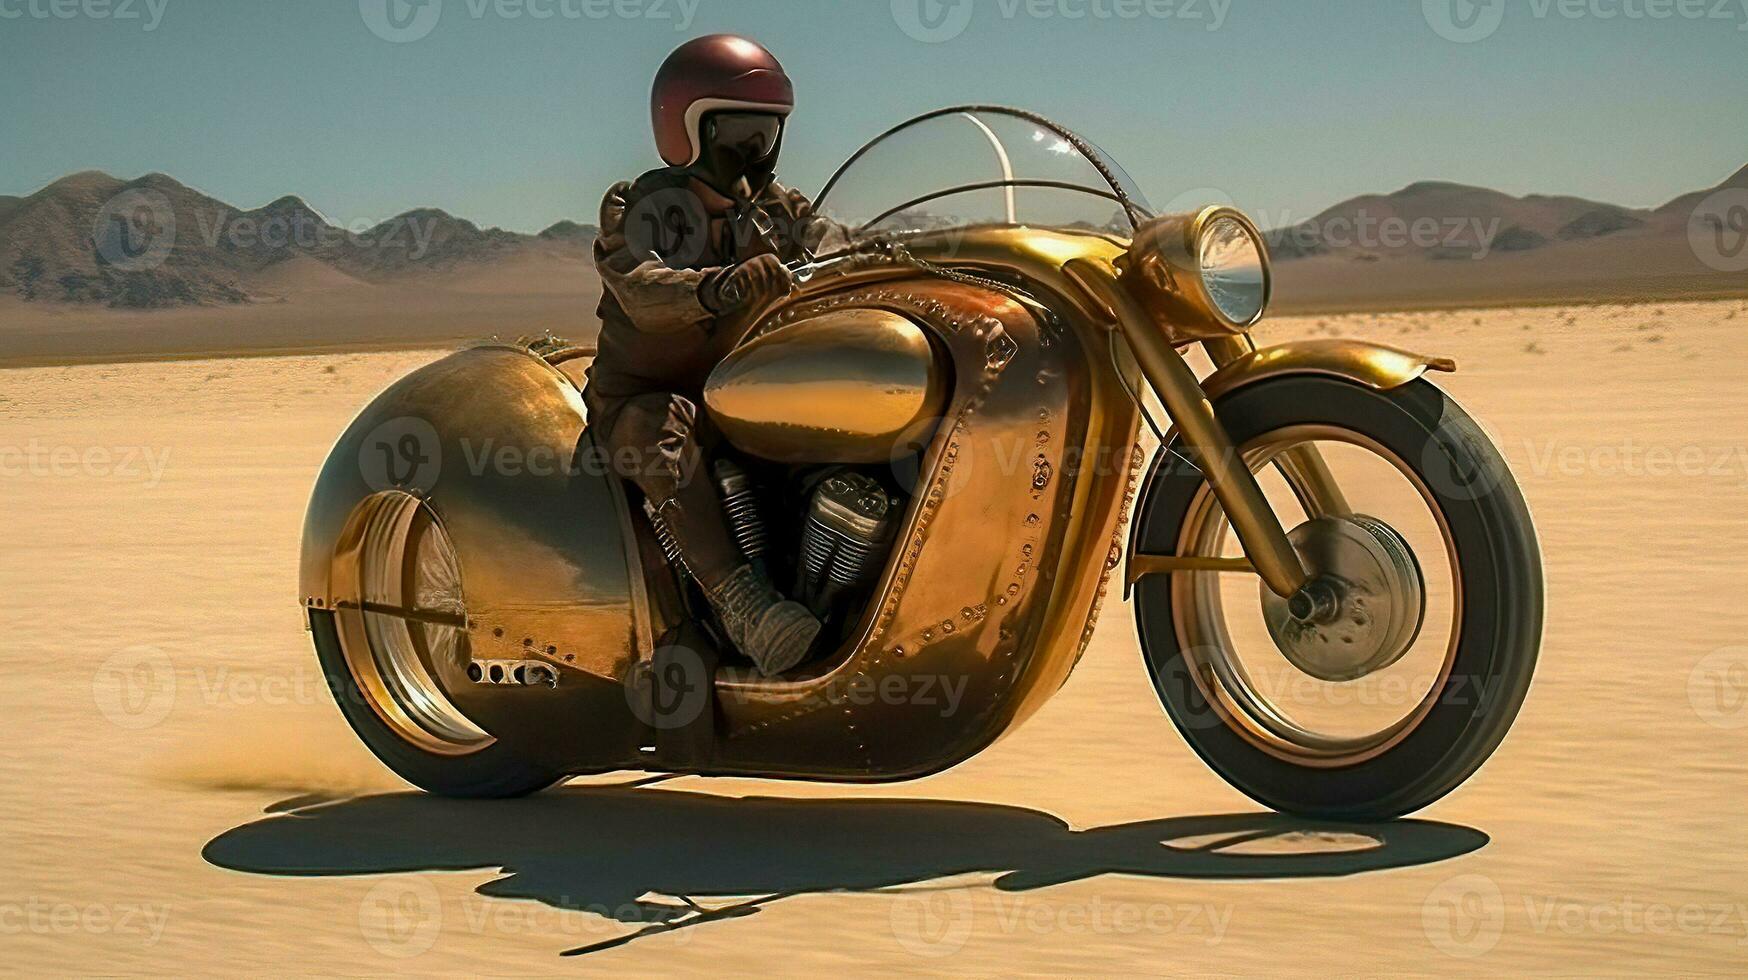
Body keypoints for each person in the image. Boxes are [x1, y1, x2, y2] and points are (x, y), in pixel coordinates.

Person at [584, 35, 832, 677]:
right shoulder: (643, 209)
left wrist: (907, 253)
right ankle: (741, 604)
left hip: (743, 394)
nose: (755, 151)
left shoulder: (780, 212)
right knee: (659, 424)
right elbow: (640, 287)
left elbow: (838, 242)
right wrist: (716, 286)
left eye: (767, 132)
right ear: (684, 130)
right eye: (738, 131)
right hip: (644, 400)